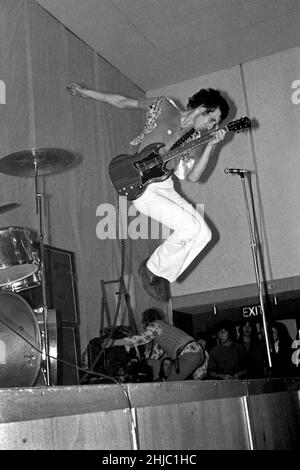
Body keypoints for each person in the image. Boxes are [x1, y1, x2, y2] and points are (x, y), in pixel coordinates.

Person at [67, 82, 229, 301]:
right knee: (190, 228)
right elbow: (124, 102)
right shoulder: (164, 106)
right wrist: (86, 92)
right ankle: (152, 269)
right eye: (212, 120)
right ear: (202, 108)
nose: (211, 127)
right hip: (143, 186)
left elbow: (191, 177)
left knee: (204, 234)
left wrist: (210, 146)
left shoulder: (197, 140)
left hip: (165, 184)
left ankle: (157, 271)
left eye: (215, 125)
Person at [104, 307, 204, 381]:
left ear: (146, 321)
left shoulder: (156, 325)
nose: (143, 326)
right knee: (174, 378)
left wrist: (114, 342)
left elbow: (142, 339)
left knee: (171, 386)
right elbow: (155, 356)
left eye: (143, 323)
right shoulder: (164, 331)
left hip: (188, 355)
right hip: (198, 353)